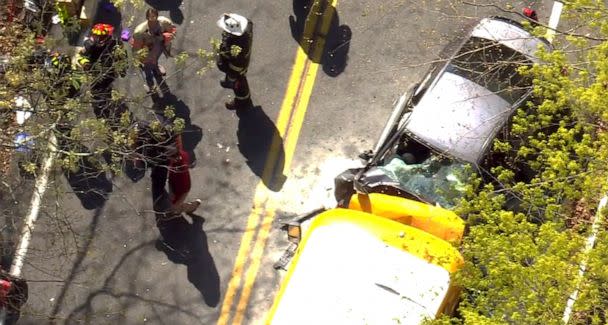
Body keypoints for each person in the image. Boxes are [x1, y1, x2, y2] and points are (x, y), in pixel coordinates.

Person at [78, 23, 127, 119]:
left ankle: (106, 98)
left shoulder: (116, 45)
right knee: (96, 92)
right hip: (94, 73)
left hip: (109, 72)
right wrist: (85, 63)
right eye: (97, 36)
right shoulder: (89, 45)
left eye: (102, 36)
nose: (99, 39)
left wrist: (122, 70)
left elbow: (122, 58)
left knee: (106, 88)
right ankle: (100, 111)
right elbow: (80, 56)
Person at [131, 8, 176, 95]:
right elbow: (136, 47)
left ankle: (156, 68)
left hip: (158, 48)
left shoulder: (163, 22)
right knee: (147, 69)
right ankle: (150, 84)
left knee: (155, 60)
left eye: (154, 16)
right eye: (150, 16)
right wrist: (138, 57)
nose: (152, 18)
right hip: (146, 52)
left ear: (157, 15)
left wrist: (168, 36)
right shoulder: (140, 31)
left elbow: (172, 30)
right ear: (147, 17)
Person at [216, 13, 254, 110]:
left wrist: (231, 74)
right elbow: (248, 21)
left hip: (237, 69)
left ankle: (243, 101)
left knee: (239, 83)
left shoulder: (236, 47)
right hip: (238, 63)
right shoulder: (247, 26)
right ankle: (229, 80)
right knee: (232, 78)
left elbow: (235, 66)